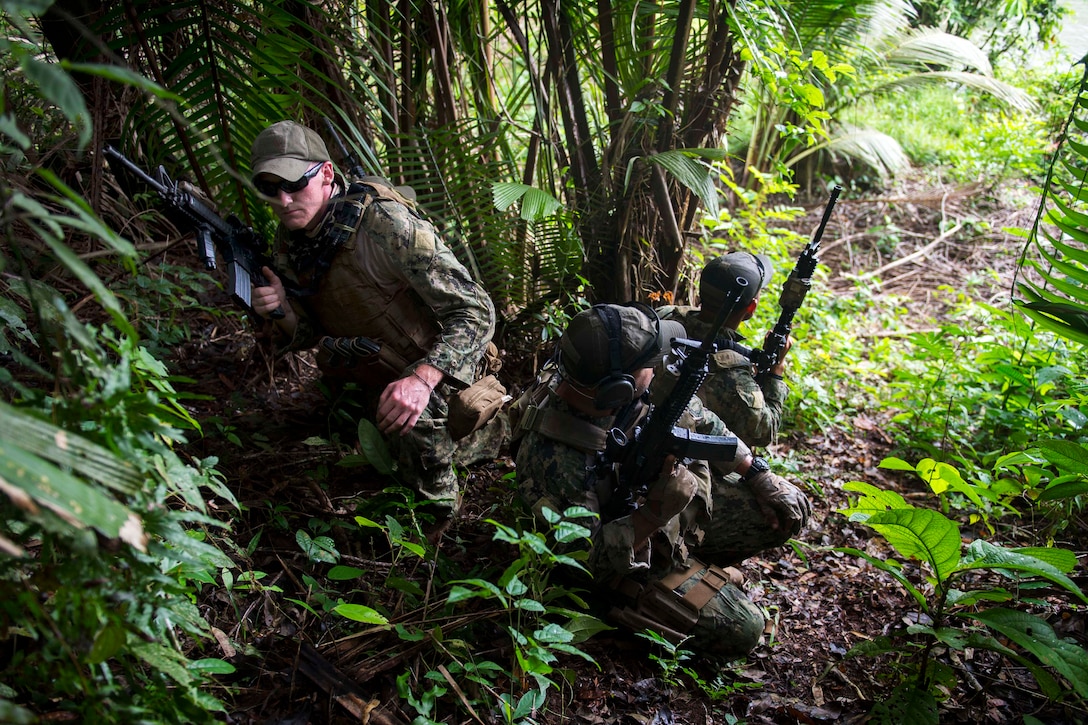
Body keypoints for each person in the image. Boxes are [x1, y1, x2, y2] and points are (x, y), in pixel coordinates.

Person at [514, 303, 811, 658]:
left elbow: (699, 418)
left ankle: (690, 559)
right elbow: (583, 565)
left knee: (785, 511)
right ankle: (652, 594)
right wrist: (653, 515)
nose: (658, 368)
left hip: (659, 505)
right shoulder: (557, 463)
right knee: (743, 628)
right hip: (623, 551)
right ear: (617, 388)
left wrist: (755, 471)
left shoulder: (603, 382)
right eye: (649, 364)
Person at [246, 120, 496, 523]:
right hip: (371, 376)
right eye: (270, 188)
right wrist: (283, 312)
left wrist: (422, 380)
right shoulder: (291, 241)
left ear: (327, 173)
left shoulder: (385, 225)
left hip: (441, 379)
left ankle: (439, 513)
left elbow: (477, 309)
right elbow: (313, 332)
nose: (284, 199)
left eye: (294, 184)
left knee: (427, 500)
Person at [658, 251, 788, 448]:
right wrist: (776, 372)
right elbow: (763, 432)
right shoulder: (733, 376)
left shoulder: (664, 316)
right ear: (751, 308)